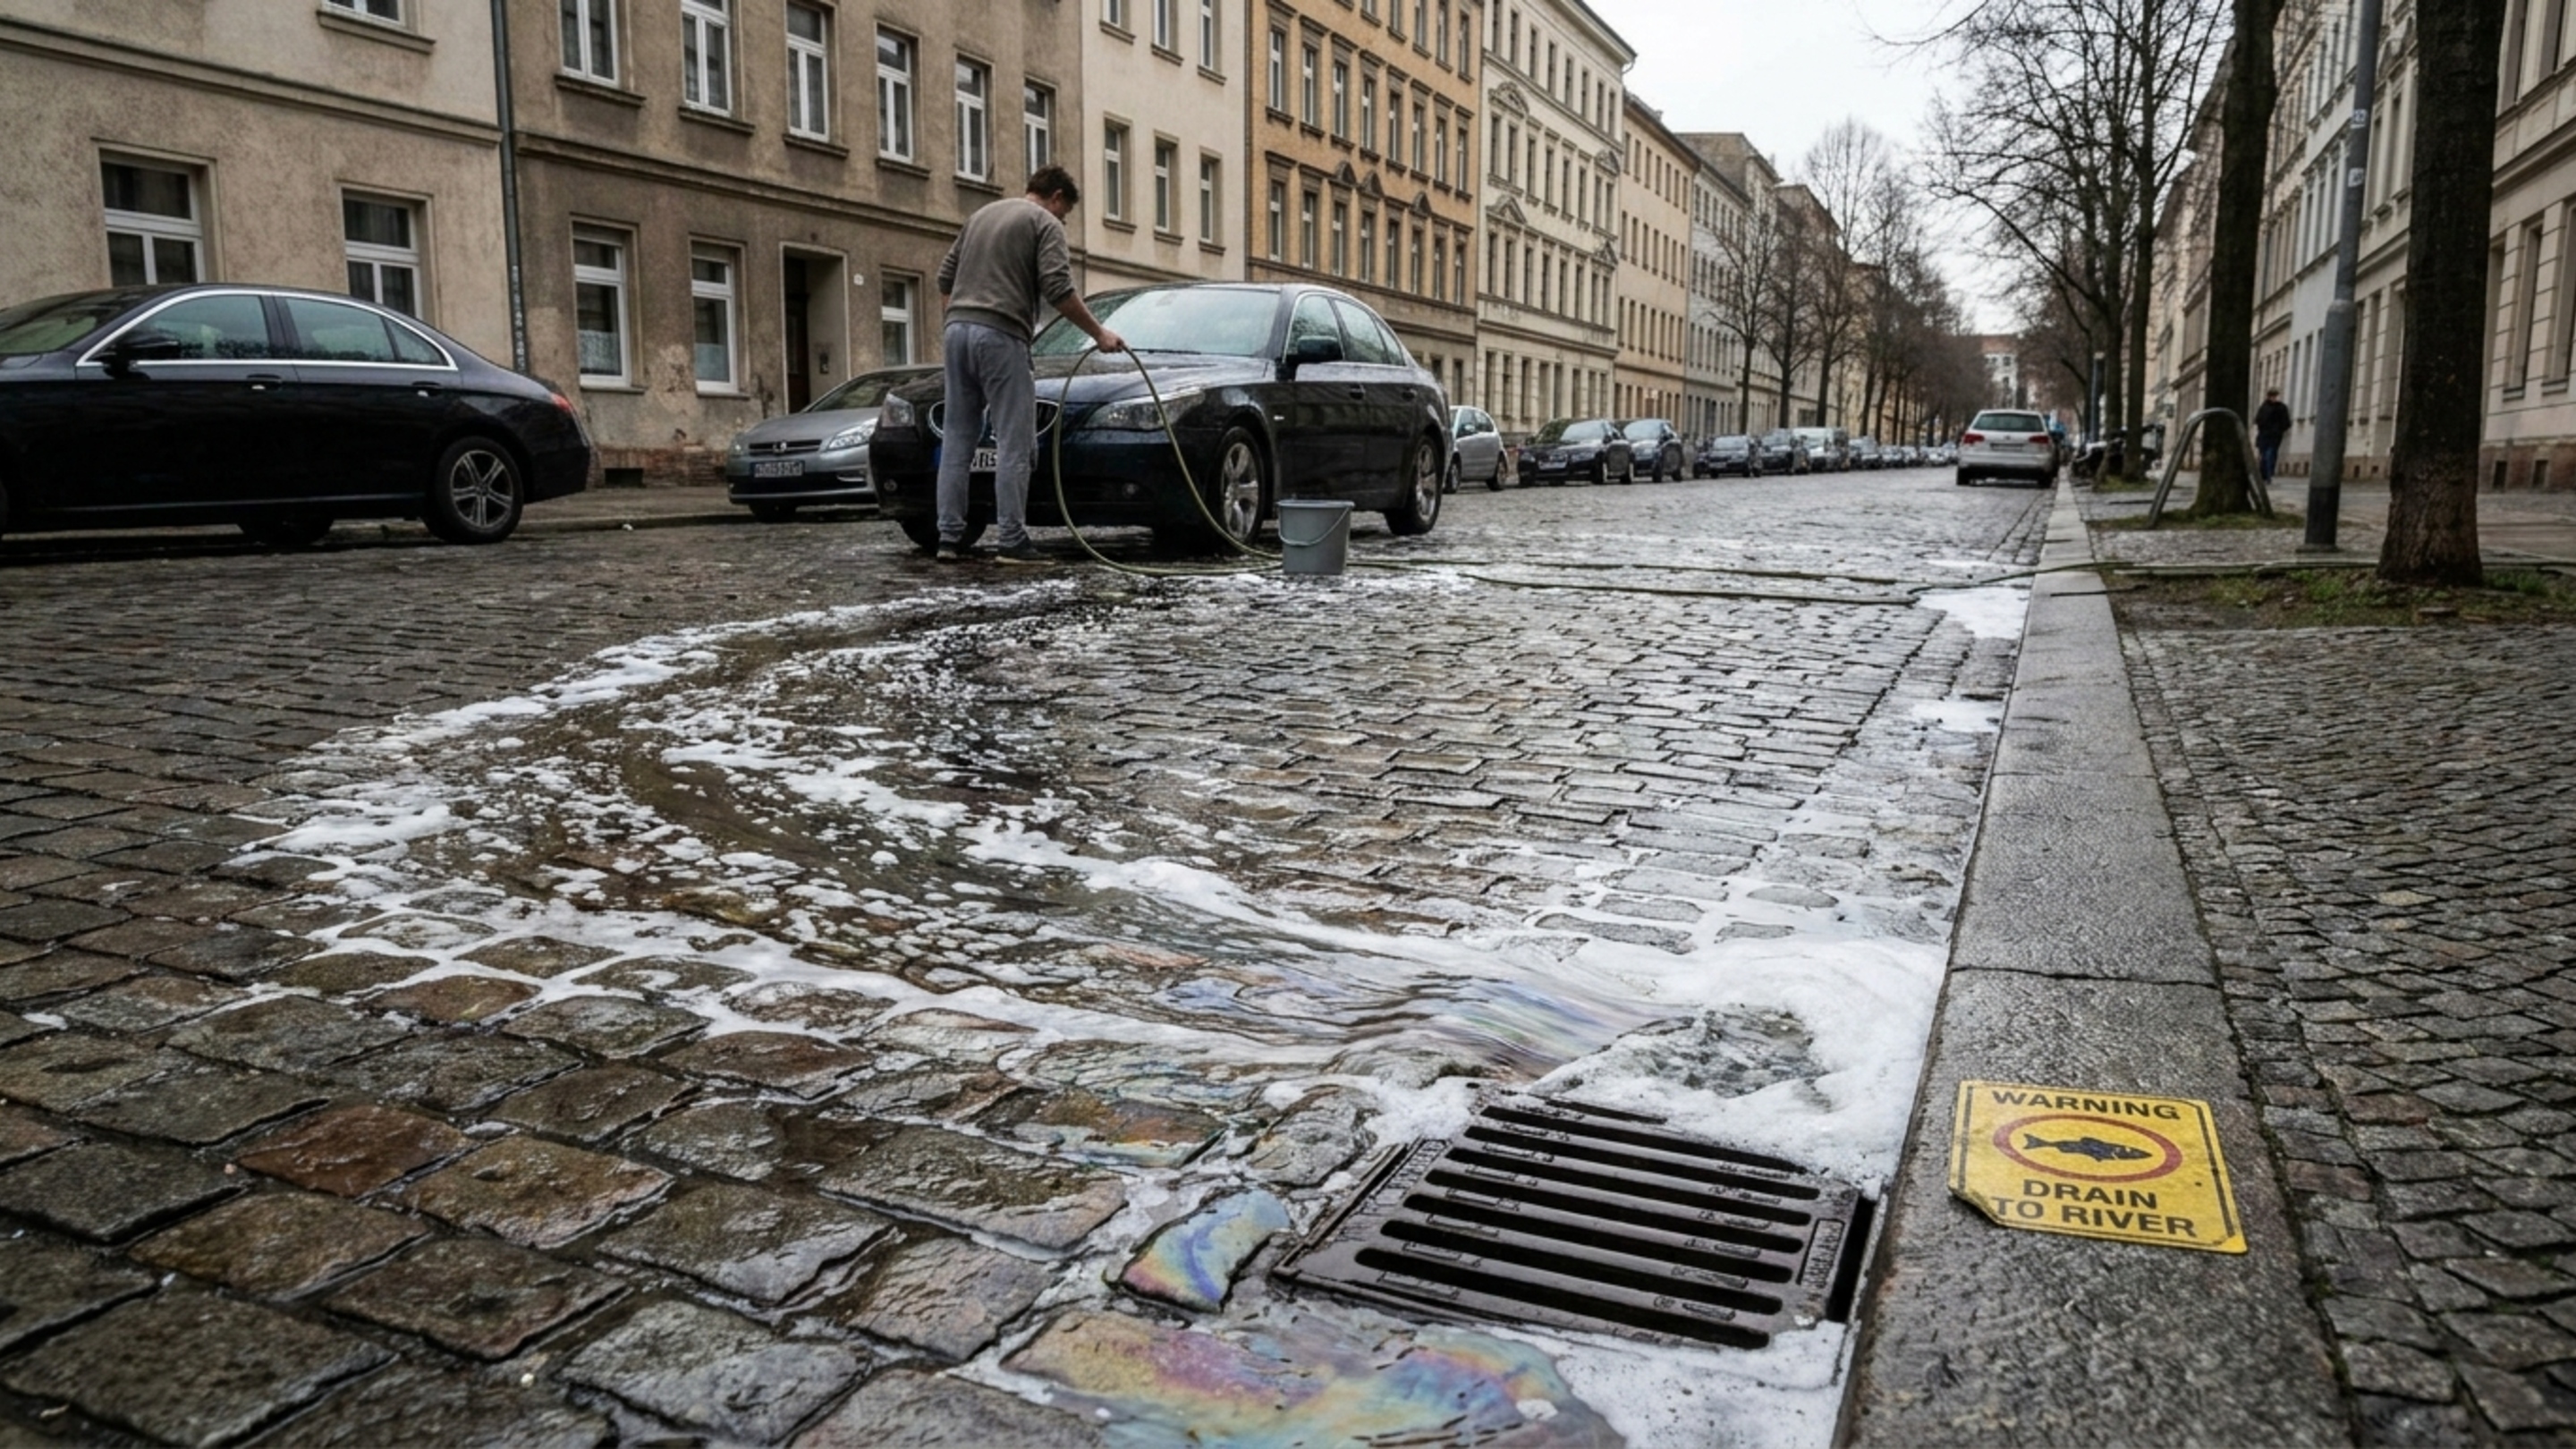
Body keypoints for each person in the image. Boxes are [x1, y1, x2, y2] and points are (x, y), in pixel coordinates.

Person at [931, 165, 1126, 563]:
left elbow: (944, 278)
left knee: (956, 440)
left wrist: (957, 320)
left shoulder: (981, 215)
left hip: (957, 333)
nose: (1063, 221)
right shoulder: (1044, 223)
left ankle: (949, 539)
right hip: (1000, 336)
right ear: (1056, 197)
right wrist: (1099, 333)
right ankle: (1012, 540)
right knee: (1014, 441)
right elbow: (1058, 289)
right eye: (1065, 213)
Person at [2253, 387, 2292, 483]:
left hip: (2275, 435)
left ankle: (2268, 474)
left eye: (2275, 396)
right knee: (2265, 455)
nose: (2274, 398)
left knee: (2271, 454)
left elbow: (2286, 422)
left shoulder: (2281, 407)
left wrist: (2280, 430)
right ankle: (2265, 474)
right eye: (2272, 396)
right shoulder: (2264, 407)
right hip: (2265, 435)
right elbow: (2259, 420)